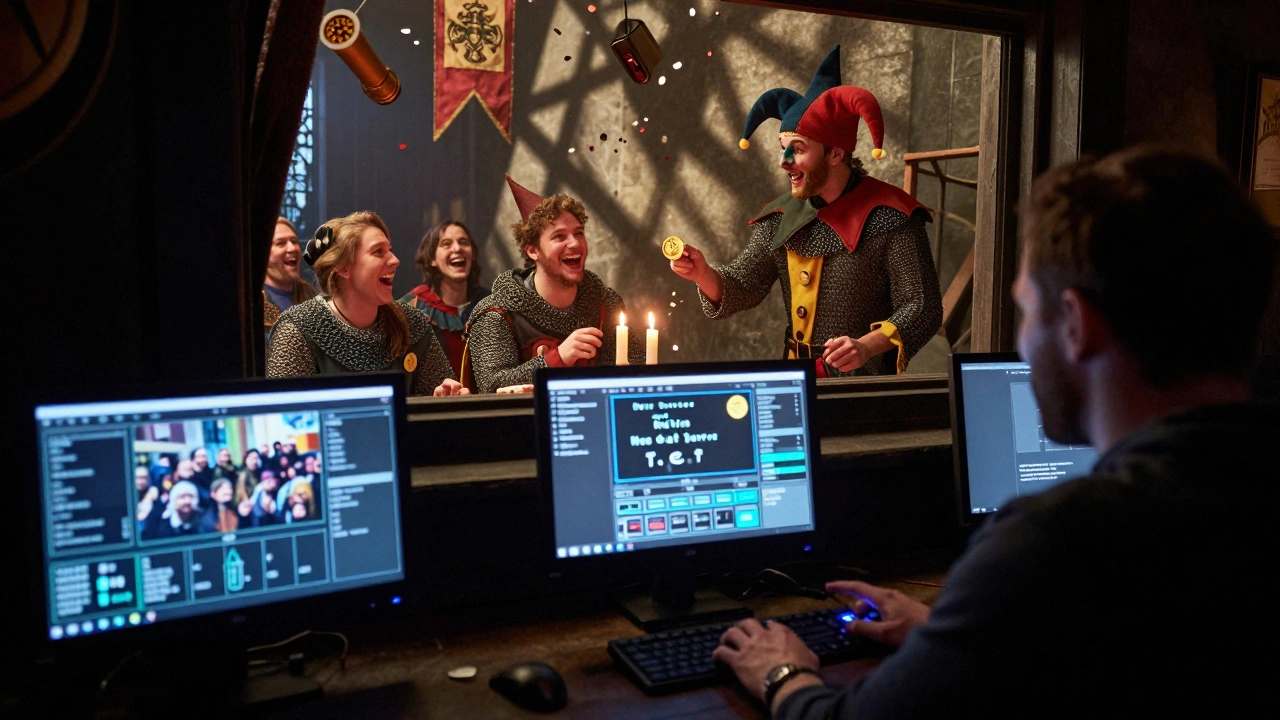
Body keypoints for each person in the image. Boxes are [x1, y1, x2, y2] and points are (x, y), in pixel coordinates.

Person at [713, 147, 1280, 718]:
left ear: (1077, 325)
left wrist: (781, 671)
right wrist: (958, 631)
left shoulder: (1055, 542)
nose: (1025, 340)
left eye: (1027, 311)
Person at [670, 46, 941, 376]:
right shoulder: (781, 218)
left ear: (836, 153)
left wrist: (867, 345)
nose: (783, 162)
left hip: (863, 384)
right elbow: (742, 286)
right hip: (795, 376)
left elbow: (922, 306)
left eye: (797, 150)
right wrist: (702, 273)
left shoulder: (891, 217)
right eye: (783, 149)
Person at [464, 176, 644, 392]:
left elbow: (637, 371)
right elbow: (491, 386)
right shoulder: (496, 313)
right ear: (533, 251)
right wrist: (556, 359)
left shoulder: (606, 302)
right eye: (559, 237)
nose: (575, 243)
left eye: (579, 233)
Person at [267, 211, 467, 396]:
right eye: (379, 252)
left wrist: (444, 399)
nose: (395, 260)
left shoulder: (411, 323)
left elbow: (438, 406)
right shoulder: (298, 330)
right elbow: (285, 422)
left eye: (390, 250)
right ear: (343, 268)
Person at [402, 220, 492, 377]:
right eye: (446, 244)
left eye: (463, 242)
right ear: (432, 259)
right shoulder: (411, 308)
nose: (457, 248)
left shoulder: (491, 304)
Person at [264, 217, 318, 339]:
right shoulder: (252, 303)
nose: (292, 248)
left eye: (294, 241)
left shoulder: (312, 295)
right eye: (280, 243)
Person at [140, 481, 216, 540]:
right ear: (173, 500)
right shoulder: (160, 523)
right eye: (182, 497)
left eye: (191, 497)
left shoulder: (205, 520)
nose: (187, 501)